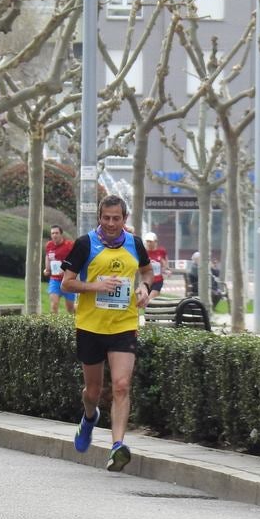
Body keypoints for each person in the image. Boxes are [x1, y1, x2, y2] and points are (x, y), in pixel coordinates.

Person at [60, 195, 164, 472]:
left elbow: (147, 272)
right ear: (99, 217)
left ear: (124, 219)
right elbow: (67, 283)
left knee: (120, 385)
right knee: (93, 391)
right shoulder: (85, 244)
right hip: (90, 327)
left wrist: (144, 287)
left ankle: (117, 446)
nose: (110, 223)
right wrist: (96, 286)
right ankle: (89, 417)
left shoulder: (135, 243)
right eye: (106, 218)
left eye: (116, 218)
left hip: (124, 325)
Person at [44, 224, 76, 314]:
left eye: (56, 233)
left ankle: (73, 323)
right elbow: (47, 257)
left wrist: (65, 268)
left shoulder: (69, 245)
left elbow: (75, 259)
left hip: (68, 280)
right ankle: (54, 327)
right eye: (52, 233)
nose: (54, 235)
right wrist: (47, 269)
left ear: (61, 234)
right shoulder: (49, 245)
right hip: (55, 280)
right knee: (54, 305)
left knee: (70, 309)